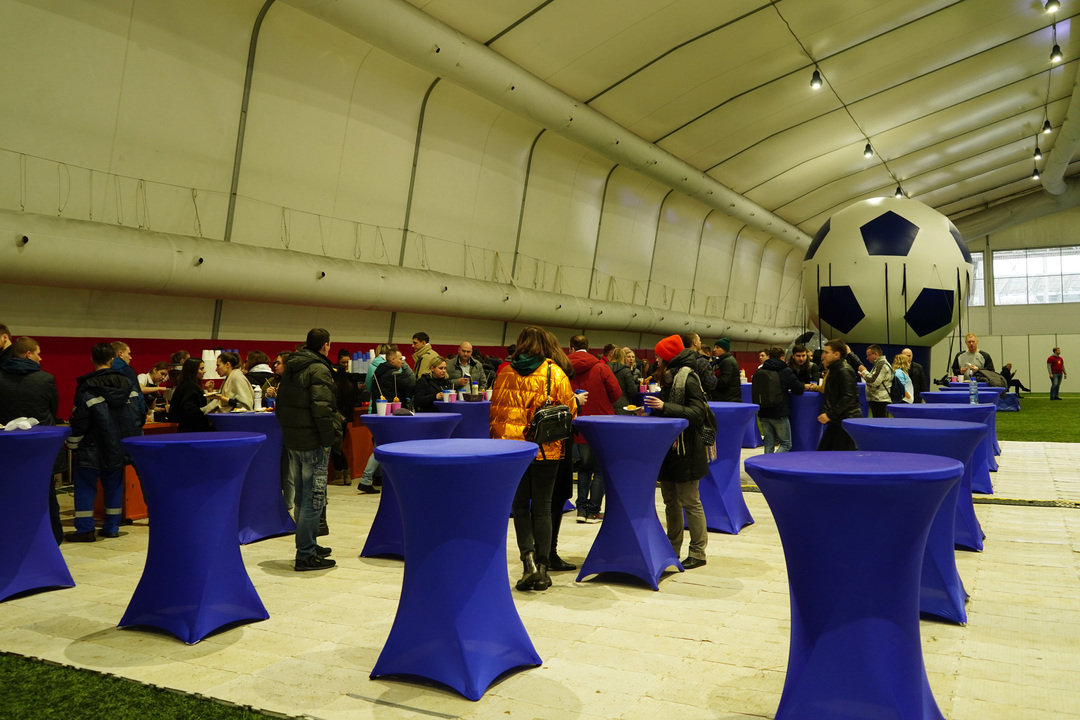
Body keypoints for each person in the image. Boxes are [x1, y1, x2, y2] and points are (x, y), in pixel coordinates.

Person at [490, 326, 577, 592]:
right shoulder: (554, 372)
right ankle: (543, 568)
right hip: (545, 449)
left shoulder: (505, 372)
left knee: (519, 507)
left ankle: (527, 562)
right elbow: (570, 411)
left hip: (512, 452)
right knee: (542, 508)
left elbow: (495, 414)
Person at [276, 328, 342, 571]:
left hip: (294, 441)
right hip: (313, 442)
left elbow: (281, 406)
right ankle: (305, 554)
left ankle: (309, 543)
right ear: (325, 345)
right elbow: (322, 409)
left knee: (302, 497)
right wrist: (328, 440)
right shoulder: (319, 369)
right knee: (313, 499)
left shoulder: (292, 367)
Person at [65, 343, 145, 542]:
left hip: (91, 446)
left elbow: (81, 420)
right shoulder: (129, 384)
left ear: (92, 360)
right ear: (112, 360)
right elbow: (138, 414)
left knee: (85, 488)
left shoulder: (87, 387)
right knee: (114, 486)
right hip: (118, 446)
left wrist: (72, 444)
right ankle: (112, 527)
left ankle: (85, 530)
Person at [644, 335, 711, 570]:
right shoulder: (669, 378)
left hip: (687, 449)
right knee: (670, 502)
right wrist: (651, 411)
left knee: (690, 501)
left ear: (667, 357)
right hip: (670, 450)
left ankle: (698, 552)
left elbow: (698, 413)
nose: (655, 359)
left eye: (658, 356)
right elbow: (669, 412)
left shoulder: (688, 378)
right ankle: (672, 549)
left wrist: (665, 406)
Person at [0, 336, 64, 543]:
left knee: (11, 496)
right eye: (38, 353)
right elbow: (53, 410)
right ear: (28, 354)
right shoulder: (46, 379)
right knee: (46, 495)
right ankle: (53, 538)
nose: (41, 358)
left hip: (9, 448)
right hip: (40, 447)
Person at [568, 335, 621, 524]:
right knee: (600, 470)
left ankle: (581, 510)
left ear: (571, 348)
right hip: (601, 423)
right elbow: (616, 392)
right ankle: (593, 511)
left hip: (580, 422)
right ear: (588, 347)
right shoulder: (601, 367)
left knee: (584, 467)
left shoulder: (564, 368)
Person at [756, 346, 805, 453]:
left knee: (769, 443)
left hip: (763, 412)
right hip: (779, 412)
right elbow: (798, 389)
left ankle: (767, 463)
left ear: (769, 357)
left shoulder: (761, 370)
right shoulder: (785, 371)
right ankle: (774, 461)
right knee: (786, 444)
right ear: (782, 358)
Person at [817, 339, 862, 451]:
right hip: (838, 420)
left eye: (827, 352)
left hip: (845, 419)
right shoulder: (835, 369)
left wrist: (829, 415)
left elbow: (849, 396)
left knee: (840, 455)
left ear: (836, 354)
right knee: (823, 452)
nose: (823, 355)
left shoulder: (843, 370)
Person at [168, 357, 221, 432]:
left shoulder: (187, 385)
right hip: (193, 431)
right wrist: (212, 405)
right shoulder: (189, 388)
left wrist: (210, 392)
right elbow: (190, 412)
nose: (204, 371)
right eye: (201, 369)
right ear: (193, 370)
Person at [329, 349, 358, 485]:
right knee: (338, 446)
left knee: (335, 447)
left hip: (335, 418)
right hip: (346, 418)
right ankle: (346, 474)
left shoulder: (333, 386)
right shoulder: (350, 385)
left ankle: (340, 475)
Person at [111, 341, 146, 417]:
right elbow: (137, 395)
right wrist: (142, 415)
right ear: (120, 353)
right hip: (128, 415)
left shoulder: (103, 370)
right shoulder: (127, 370)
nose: (130, 357)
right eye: (128, 353)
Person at [859, 344, 894, 418]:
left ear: (875, 354)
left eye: (868, 355)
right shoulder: (878, 365)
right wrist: (865, 376)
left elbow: (874, 382)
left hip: (880, 401)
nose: (867, 358)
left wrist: (864, 371)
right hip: (878, 400)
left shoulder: (882, 365)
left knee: (881, 423)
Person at [710, 337, 741, 401]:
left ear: (724, 349)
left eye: (717, 347)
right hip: (727, 397)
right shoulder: (722, 360)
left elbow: (725, 381)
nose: (714, 350)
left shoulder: (727, 362)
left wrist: (710, 381)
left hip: (727, 398)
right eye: (714, 347)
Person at [607, 347, 637, 412]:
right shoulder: (626, 370)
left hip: (607, 404)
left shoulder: (604, 369)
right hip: (623, 405)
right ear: (623, 357)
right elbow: (632, 390)